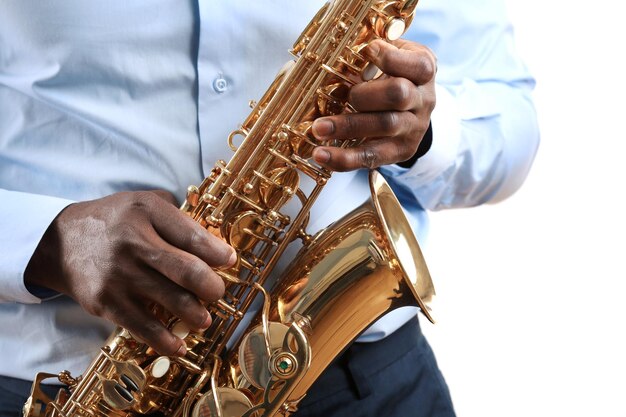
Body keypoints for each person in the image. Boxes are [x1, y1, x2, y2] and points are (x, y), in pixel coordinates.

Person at [0, 1, 539, 416]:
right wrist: (43, 240)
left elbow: (510, 122)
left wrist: (423, 133)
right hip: (88, 389)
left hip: (363, 387)